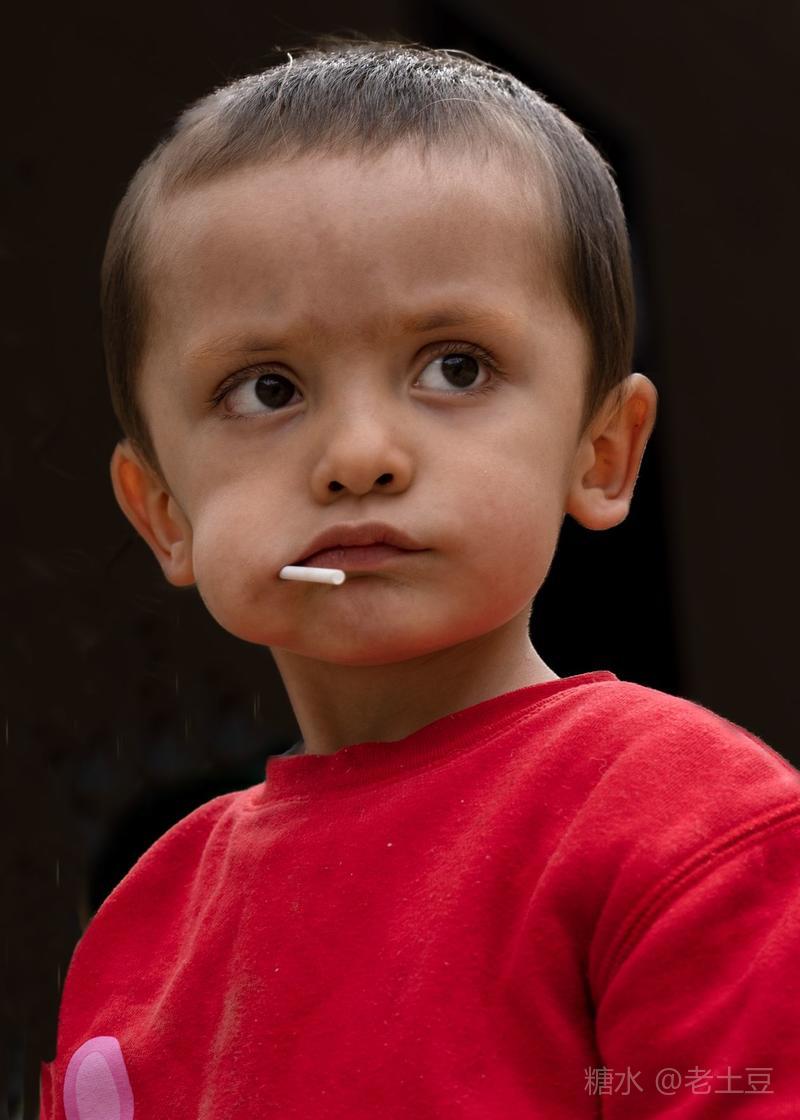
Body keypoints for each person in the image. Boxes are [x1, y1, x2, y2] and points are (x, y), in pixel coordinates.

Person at [39, 35, 800, 1119]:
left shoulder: (689, 830)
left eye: (455, 366)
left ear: (600, 452)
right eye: (266, 389)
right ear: (164, 511)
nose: (359, 456)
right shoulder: (142, 931)